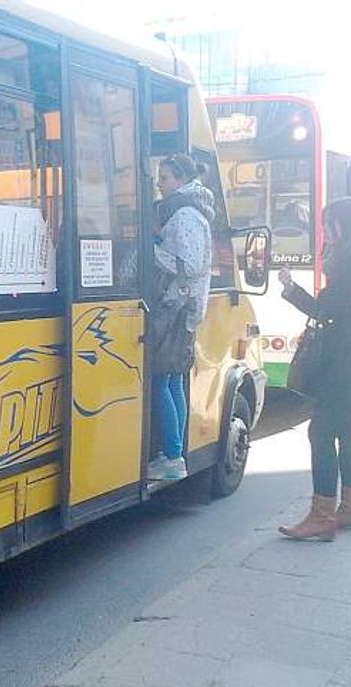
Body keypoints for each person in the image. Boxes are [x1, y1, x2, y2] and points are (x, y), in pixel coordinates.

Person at [277, 196, 351, 540]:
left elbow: (335, 307)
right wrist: (293, 290)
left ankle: (322, 515)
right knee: (348, 433)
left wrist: (307, 293)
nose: (326, 231)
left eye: (329, 225)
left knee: (321, 432)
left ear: (344, 222)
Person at [147, 154, 214, 481]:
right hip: (185, 310)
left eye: (164, 177)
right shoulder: (193, 211)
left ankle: (173, 456)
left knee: (161, 379)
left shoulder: (185, 214)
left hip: (175, 308)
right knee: (173, 381)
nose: (159, 183)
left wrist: (150, 249)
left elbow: (185, 265)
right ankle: (174, 453)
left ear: (180, 181)